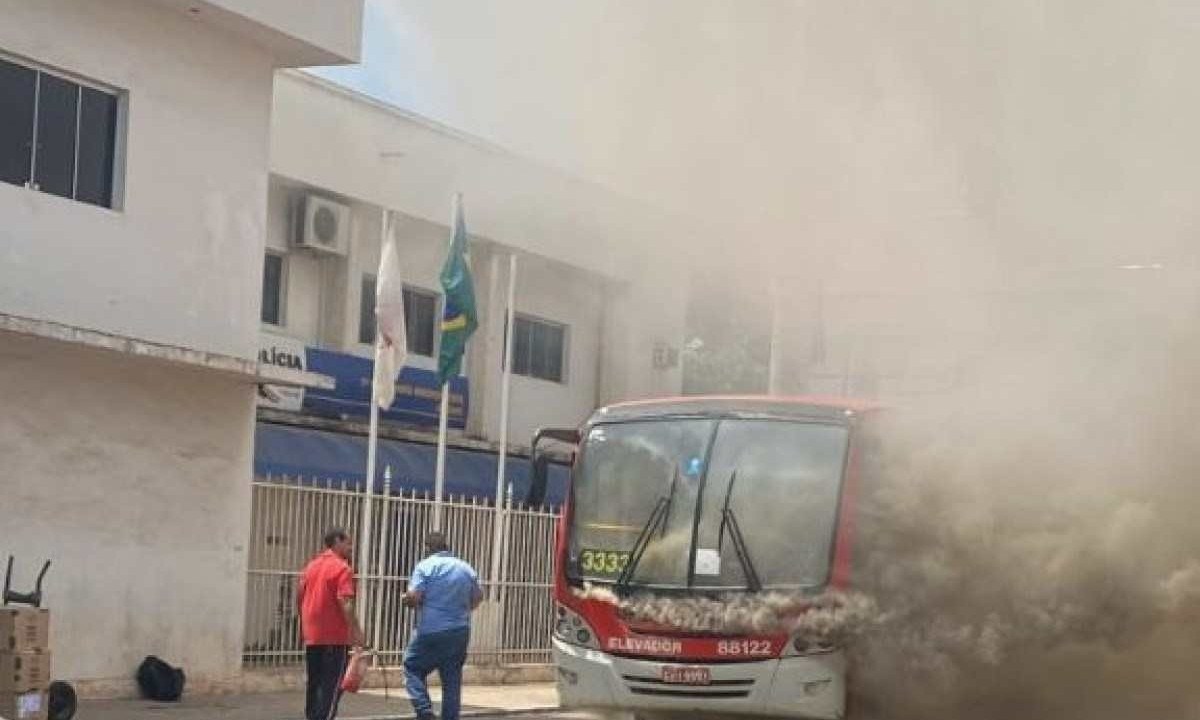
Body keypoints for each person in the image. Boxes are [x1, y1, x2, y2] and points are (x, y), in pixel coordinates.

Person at [402, 531, 484, 720]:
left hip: (432, 629)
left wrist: (406, 600)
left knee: (412, 666)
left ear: (427, 548)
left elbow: (415, 597)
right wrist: (462, 611)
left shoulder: (425, 566)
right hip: (459, 630)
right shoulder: (465, 568)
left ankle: (424, 711)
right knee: (452, 678)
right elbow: (478, 597)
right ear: (447, 546)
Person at [298, 527, 365, 720]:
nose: (350, 548)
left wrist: (304, 624)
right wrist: (357, 632)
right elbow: (345, 603)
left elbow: (299, 596)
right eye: (348, 543)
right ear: (337, 541)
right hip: (334, 638)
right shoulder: (342, 568)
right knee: (331, 687)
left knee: (315, 684)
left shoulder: (310, 566)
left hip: (313, 636)